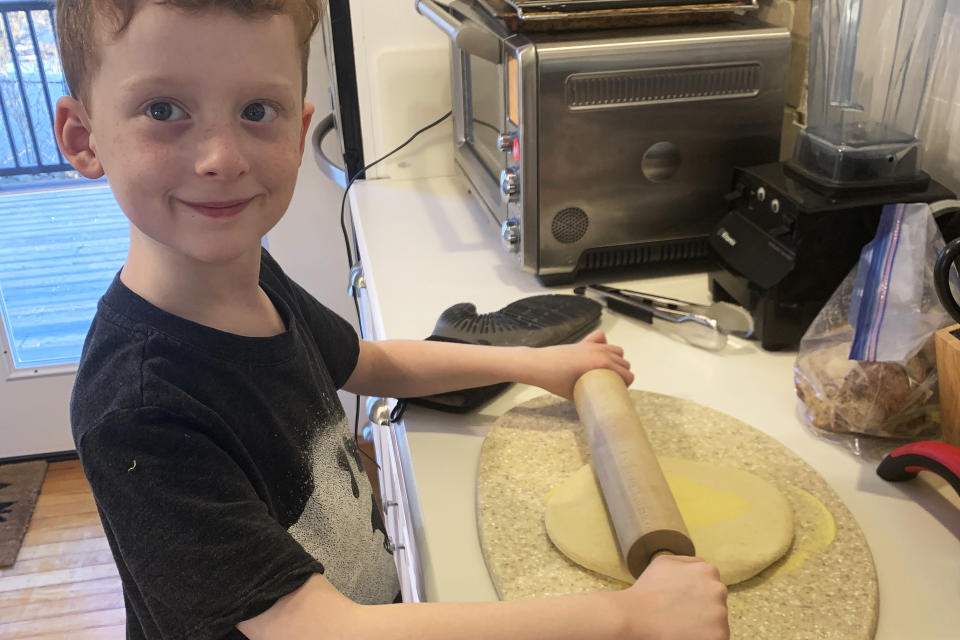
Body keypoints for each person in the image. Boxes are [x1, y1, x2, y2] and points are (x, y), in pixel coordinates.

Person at [54, 1, 729, 639]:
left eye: (257, 109)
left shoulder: (255, 276)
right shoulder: (138, 410)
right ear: (84, 139)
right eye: (163, 109)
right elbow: (318, 628)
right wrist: (629, 619)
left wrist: (541, 366)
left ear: (297, 129)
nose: (222, 158)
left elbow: (372, 365)